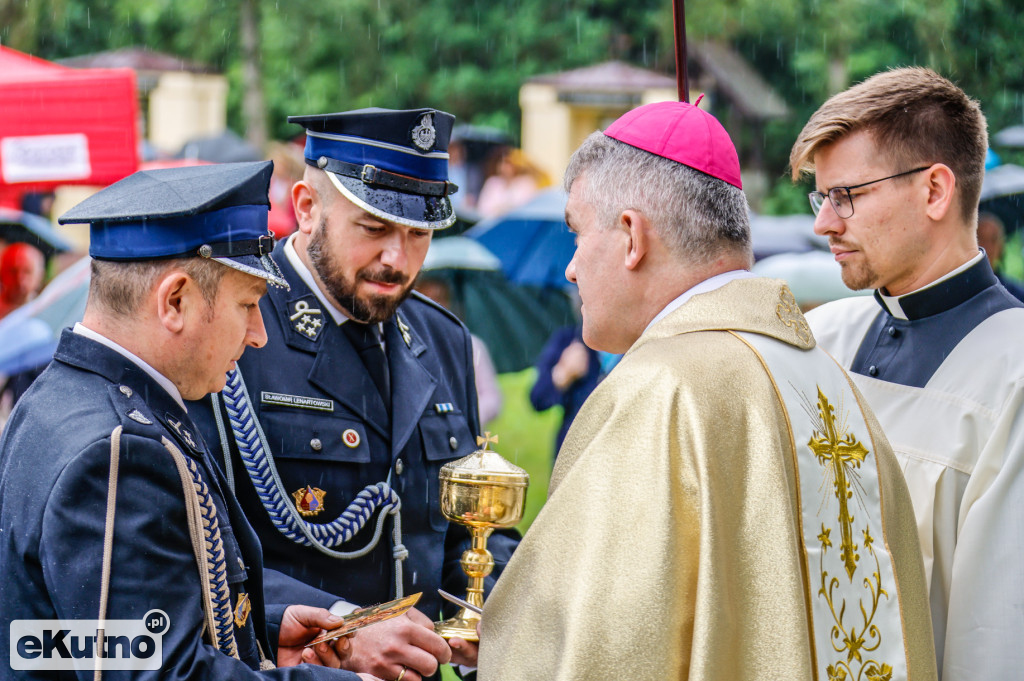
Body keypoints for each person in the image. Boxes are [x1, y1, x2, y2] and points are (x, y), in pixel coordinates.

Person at [477, 101, 936, 680]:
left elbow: (603, 651)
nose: (570, 268)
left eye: (575, 232)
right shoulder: (832, 385)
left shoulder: (660, 391)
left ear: (631, 236)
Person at [0, 161, 374, 680]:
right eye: (248, 304)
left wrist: (257, 629)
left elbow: (63, 638)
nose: (258, 334)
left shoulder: (66, 397)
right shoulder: (117, 448)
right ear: (175, 300)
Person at [191, 109, 519, 681]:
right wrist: (344, 625)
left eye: (418, 233)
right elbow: (203, 546)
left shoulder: (443, 339)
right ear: (307, 208)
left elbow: (470, 532)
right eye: (373, 228)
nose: (398, 258)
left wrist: (491, 611)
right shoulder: (237, 328)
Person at [790, 67, 1024, 681]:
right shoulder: (821, 339)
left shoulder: (1014, 375)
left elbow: (996, 635)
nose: (824, 224)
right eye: (821, 198)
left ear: (934, 191)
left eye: (846, 196)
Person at [415, 275, 502, 426]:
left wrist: (460, 419)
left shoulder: (472, 345)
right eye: (425, 297)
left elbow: (492, 399)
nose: (432, 304)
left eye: (439, 297)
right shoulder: (405, 344)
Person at [528, 325, 602, 453]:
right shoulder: (570, 339)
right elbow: (538, 399)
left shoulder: (637, 345)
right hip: (575, 447)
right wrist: (563, 373)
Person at [976, 211, 1024, 301]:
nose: (987, 246)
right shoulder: (961, 290)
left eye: (993, 240)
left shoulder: (1016, 294)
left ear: (1001, 247)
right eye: (981, 238)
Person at [0, 241, 45, 319]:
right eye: (14, 271)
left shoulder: (41, 314)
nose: (20, 278)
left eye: (27, 272)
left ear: (40, 275)